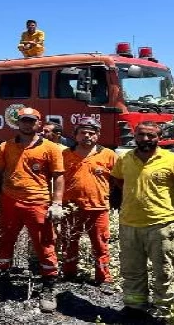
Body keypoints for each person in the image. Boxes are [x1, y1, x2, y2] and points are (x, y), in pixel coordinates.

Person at [112, 121, 174, 319]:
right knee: (132, 270)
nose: (145, 139)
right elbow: (118, 180)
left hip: (161, 224)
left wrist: (172, 203)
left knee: (164, 271)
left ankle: (164, 311)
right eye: (141, 135)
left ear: (159, 138)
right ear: (134, 136)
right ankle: (135, 307)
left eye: (151, 136)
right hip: (129, 224)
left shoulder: (172, 160)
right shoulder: (125, 158)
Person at [0, 107, 65, 313]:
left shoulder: (51, 148)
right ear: (17, 123)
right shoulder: (6, 146)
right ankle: (2, 281)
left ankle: (48, 287)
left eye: (31, 121)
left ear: (38, 123)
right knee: (4, 242)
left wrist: (57, 203)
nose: (27, 124)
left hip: (38, 203)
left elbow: (58, 176)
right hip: (9, 201)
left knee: (44, 244)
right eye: (24, 120)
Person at [60, 117, 117, 292]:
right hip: (71, 206)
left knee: (100, 243)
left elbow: (116, 180)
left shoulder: (108, 155)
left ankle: (103, 277)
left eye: (91, 133)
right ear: (75, 135)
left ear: (98, 135)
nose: (87, 136)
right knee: (69, 241)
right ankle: (69, 273)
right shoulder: (65, 155)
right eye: (83, 133)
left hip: (98, 207)